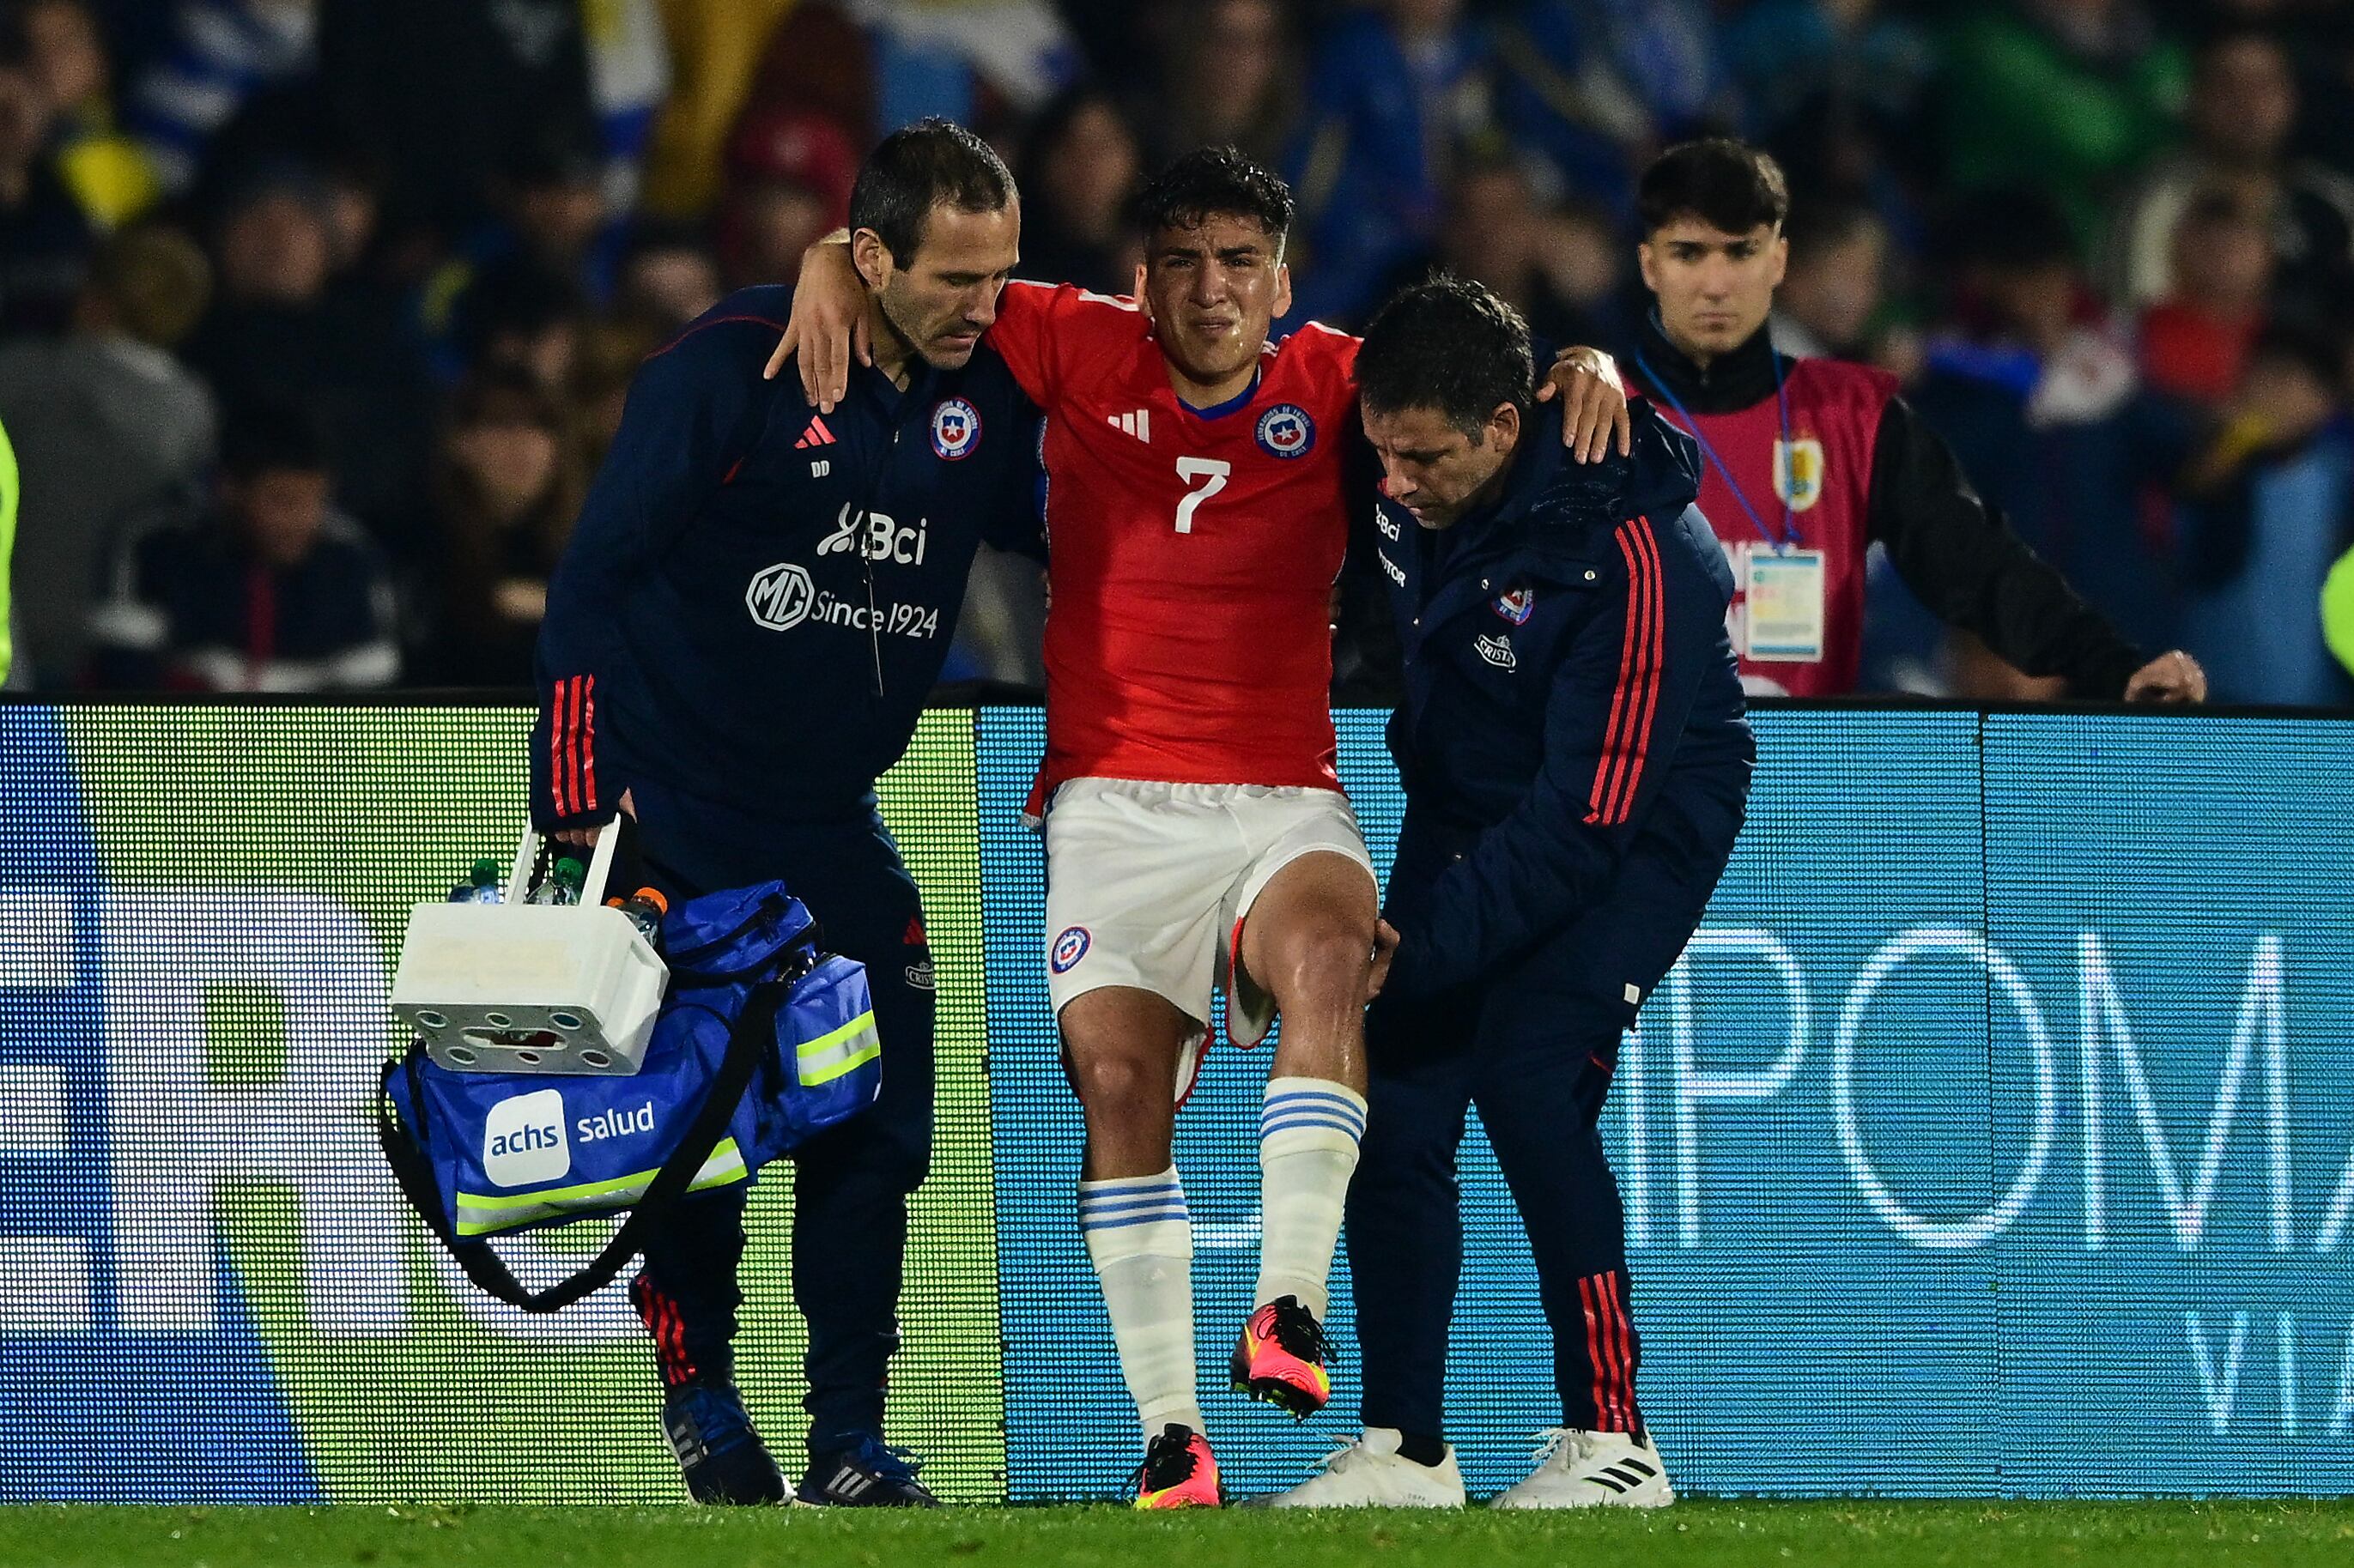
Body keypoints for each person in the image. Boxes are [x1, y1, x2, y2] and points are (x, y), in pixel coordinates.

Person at [774, 145, 1632, 1507]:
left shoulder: (1340, 380)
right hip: (1110, 799)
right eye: (1181, 262)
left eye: (1239, 261)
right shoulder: (1070, 340)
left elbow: (1473, 390)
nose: (1210, 288)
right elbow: (924, 282)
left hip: (1284, 786)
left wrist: (1583, 360)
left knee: (1334, 957)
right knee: (1115, 1089)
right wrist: (828, 257)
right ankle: (1174, 1436)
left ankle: (1285, 1302)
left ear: (1282, 281)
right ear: (1142, 279)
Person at [532, 118, 1045, 1509]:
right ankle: (699, 1390)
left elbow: (1096, 511)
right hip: (676, 809)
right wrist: (577, 800)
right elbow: (594, 576)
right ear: (868, 253)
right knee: (701, 1136)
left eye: (1000, 278)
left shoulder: (990, 392)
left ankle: (848, 1437)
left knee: (875, 1118)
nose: (978, 308)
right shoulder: (727, 365)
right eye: (951, 278)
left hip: (829, 820)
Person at [1266, 275, 1750, 1510]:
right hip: (1469, 794)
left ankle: (1613, 1444)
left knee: (1533, 1081)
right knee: (1395, 1093)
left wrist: (1414, 942)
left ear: (1499, 425)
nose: (1393, 483)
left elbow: (1585, 824)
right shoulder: (1417, 454)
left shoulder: (1638, 552)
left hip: (1635, 825)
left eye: (1422, 457)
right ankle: (1406, 1449)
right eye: (1381, 452)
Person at [1622, 137, 2206, 702]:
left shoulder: (1855, 409)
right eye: (1690, 255)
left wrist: (2100, 660)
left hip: (1813, 721)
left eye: (1740, 253)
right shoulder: (1644, 409)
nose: (1716, 282)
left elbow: (1959, 558)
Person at [82, 398, 397, 691]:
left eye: (315, 501)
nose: (302, 521)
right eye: (282, 501)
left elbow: (372, 688)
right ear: (229, 489)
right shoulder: (156, 543)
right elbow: (124, 679)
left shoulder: (350, 556)